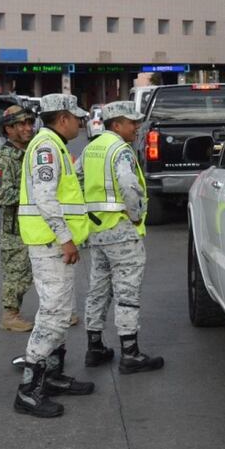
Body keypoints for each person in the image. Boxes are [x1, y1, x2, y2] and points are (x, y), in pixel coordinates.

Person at [13, 94, 94, 419]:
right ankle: (28, 390)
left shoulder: (53, 144)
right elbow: (46, 198)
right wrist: (65, 239)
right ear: (62, 119)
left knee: (61, 310)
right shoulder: (47, 147)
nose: (81, 123)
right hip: (50, 244)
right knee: (54, 313)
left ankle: (53, 375)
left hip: (54, 244)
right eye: (77, 118)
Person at [79, 101, 164, 374]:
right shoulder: (120, 150)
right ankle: (130, 352)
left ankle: (94, 347)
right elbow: (128, 185)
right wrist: (136, 213)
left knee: (98, 289)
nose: (136, 127)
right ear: (116, 124)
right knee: (127, 291)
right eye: (132, 123)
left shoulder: (91, 148)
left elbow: (76, 178)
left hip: (98, 231)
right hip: (122, 231)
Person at [0, 105, 36, 333]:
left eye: (30, 123)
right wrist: (36, 194)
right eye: (22, 124)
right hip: (15, 229)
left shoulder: (33, 152)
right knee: (16, 275)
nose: (29, 128)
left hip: (37, 225)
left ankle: (57, 312)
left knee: (45, 270)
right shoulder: (4, 159)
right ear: (9, 129)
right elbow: (1, 195)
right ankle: (10, 316)